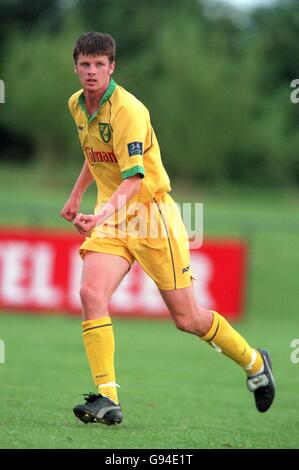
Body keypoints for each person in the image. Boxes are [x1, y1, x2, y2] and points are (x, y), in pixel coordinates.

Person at [60, 31, 275, 425]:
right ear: (75, 67)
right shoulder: (77, 104)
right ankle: (107, 398)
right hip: (113, 219)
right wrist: (76, 197)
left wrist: (100, 214)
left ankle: (256, 362)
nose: (92, 72)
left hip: (152, 218)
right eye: (85, 65)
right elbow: (96, 156)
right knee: (90, 293)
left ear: (112, 68)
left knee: (188, 319)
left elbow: (134, 180)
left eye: (99, 65)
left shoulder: (129, 111)